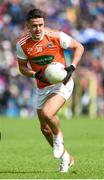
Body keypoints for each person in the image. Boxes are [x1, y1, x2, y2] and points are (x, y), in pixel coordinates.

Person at [16, 8, 84, 172]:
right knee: (44, 128)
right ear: (28, 26)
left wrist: (72, 67)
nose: (38, 29)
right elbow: (22, 68)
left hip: (62, 83)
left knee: (48, 113)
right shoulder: (22, 44)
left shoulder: (55, 36)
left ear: (44, 24)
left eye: (40, 25)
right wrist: (35, 75)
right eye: (34, 26)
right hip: (42, 87)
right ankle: (66, 158)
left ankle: (58, 137)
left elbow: (79, 47)